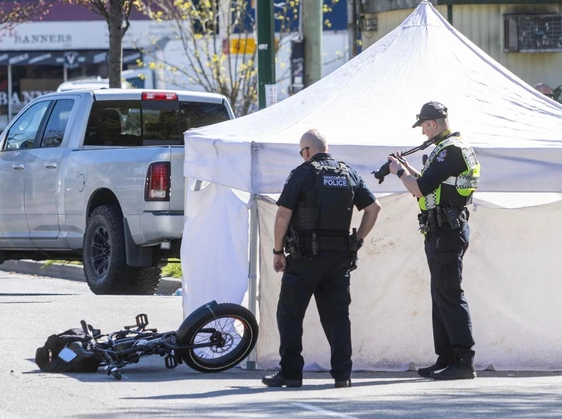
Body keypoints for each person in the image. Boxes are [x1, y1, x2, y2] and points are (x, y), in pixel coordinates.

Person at [262, 128, 381, 388]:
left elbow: (283, 215)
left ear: (306, 151)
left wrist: (278, 251)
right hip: (339, 259)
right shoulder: (347, 173)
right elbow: (373, 208)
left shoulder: (302, 173)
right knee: (337, 318)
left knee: (290, 314)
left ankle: (291, 374)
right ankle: (342, 375)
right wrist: (357, 241)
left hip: (305, 258)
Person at [388, 102, 480, 380]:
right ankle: (447, 357)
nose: (422, 134)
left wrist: (399, 173)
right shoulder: (452, 147)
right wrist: (408, 168)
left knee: (449, 294)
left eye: (423, 127)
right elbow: (432, 183)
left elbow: (420, 189)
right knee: (440, 293)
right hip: (442, 230)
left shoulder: (450, 150)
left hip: (446, 232)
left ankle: (463, 361)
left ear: (432, 123)